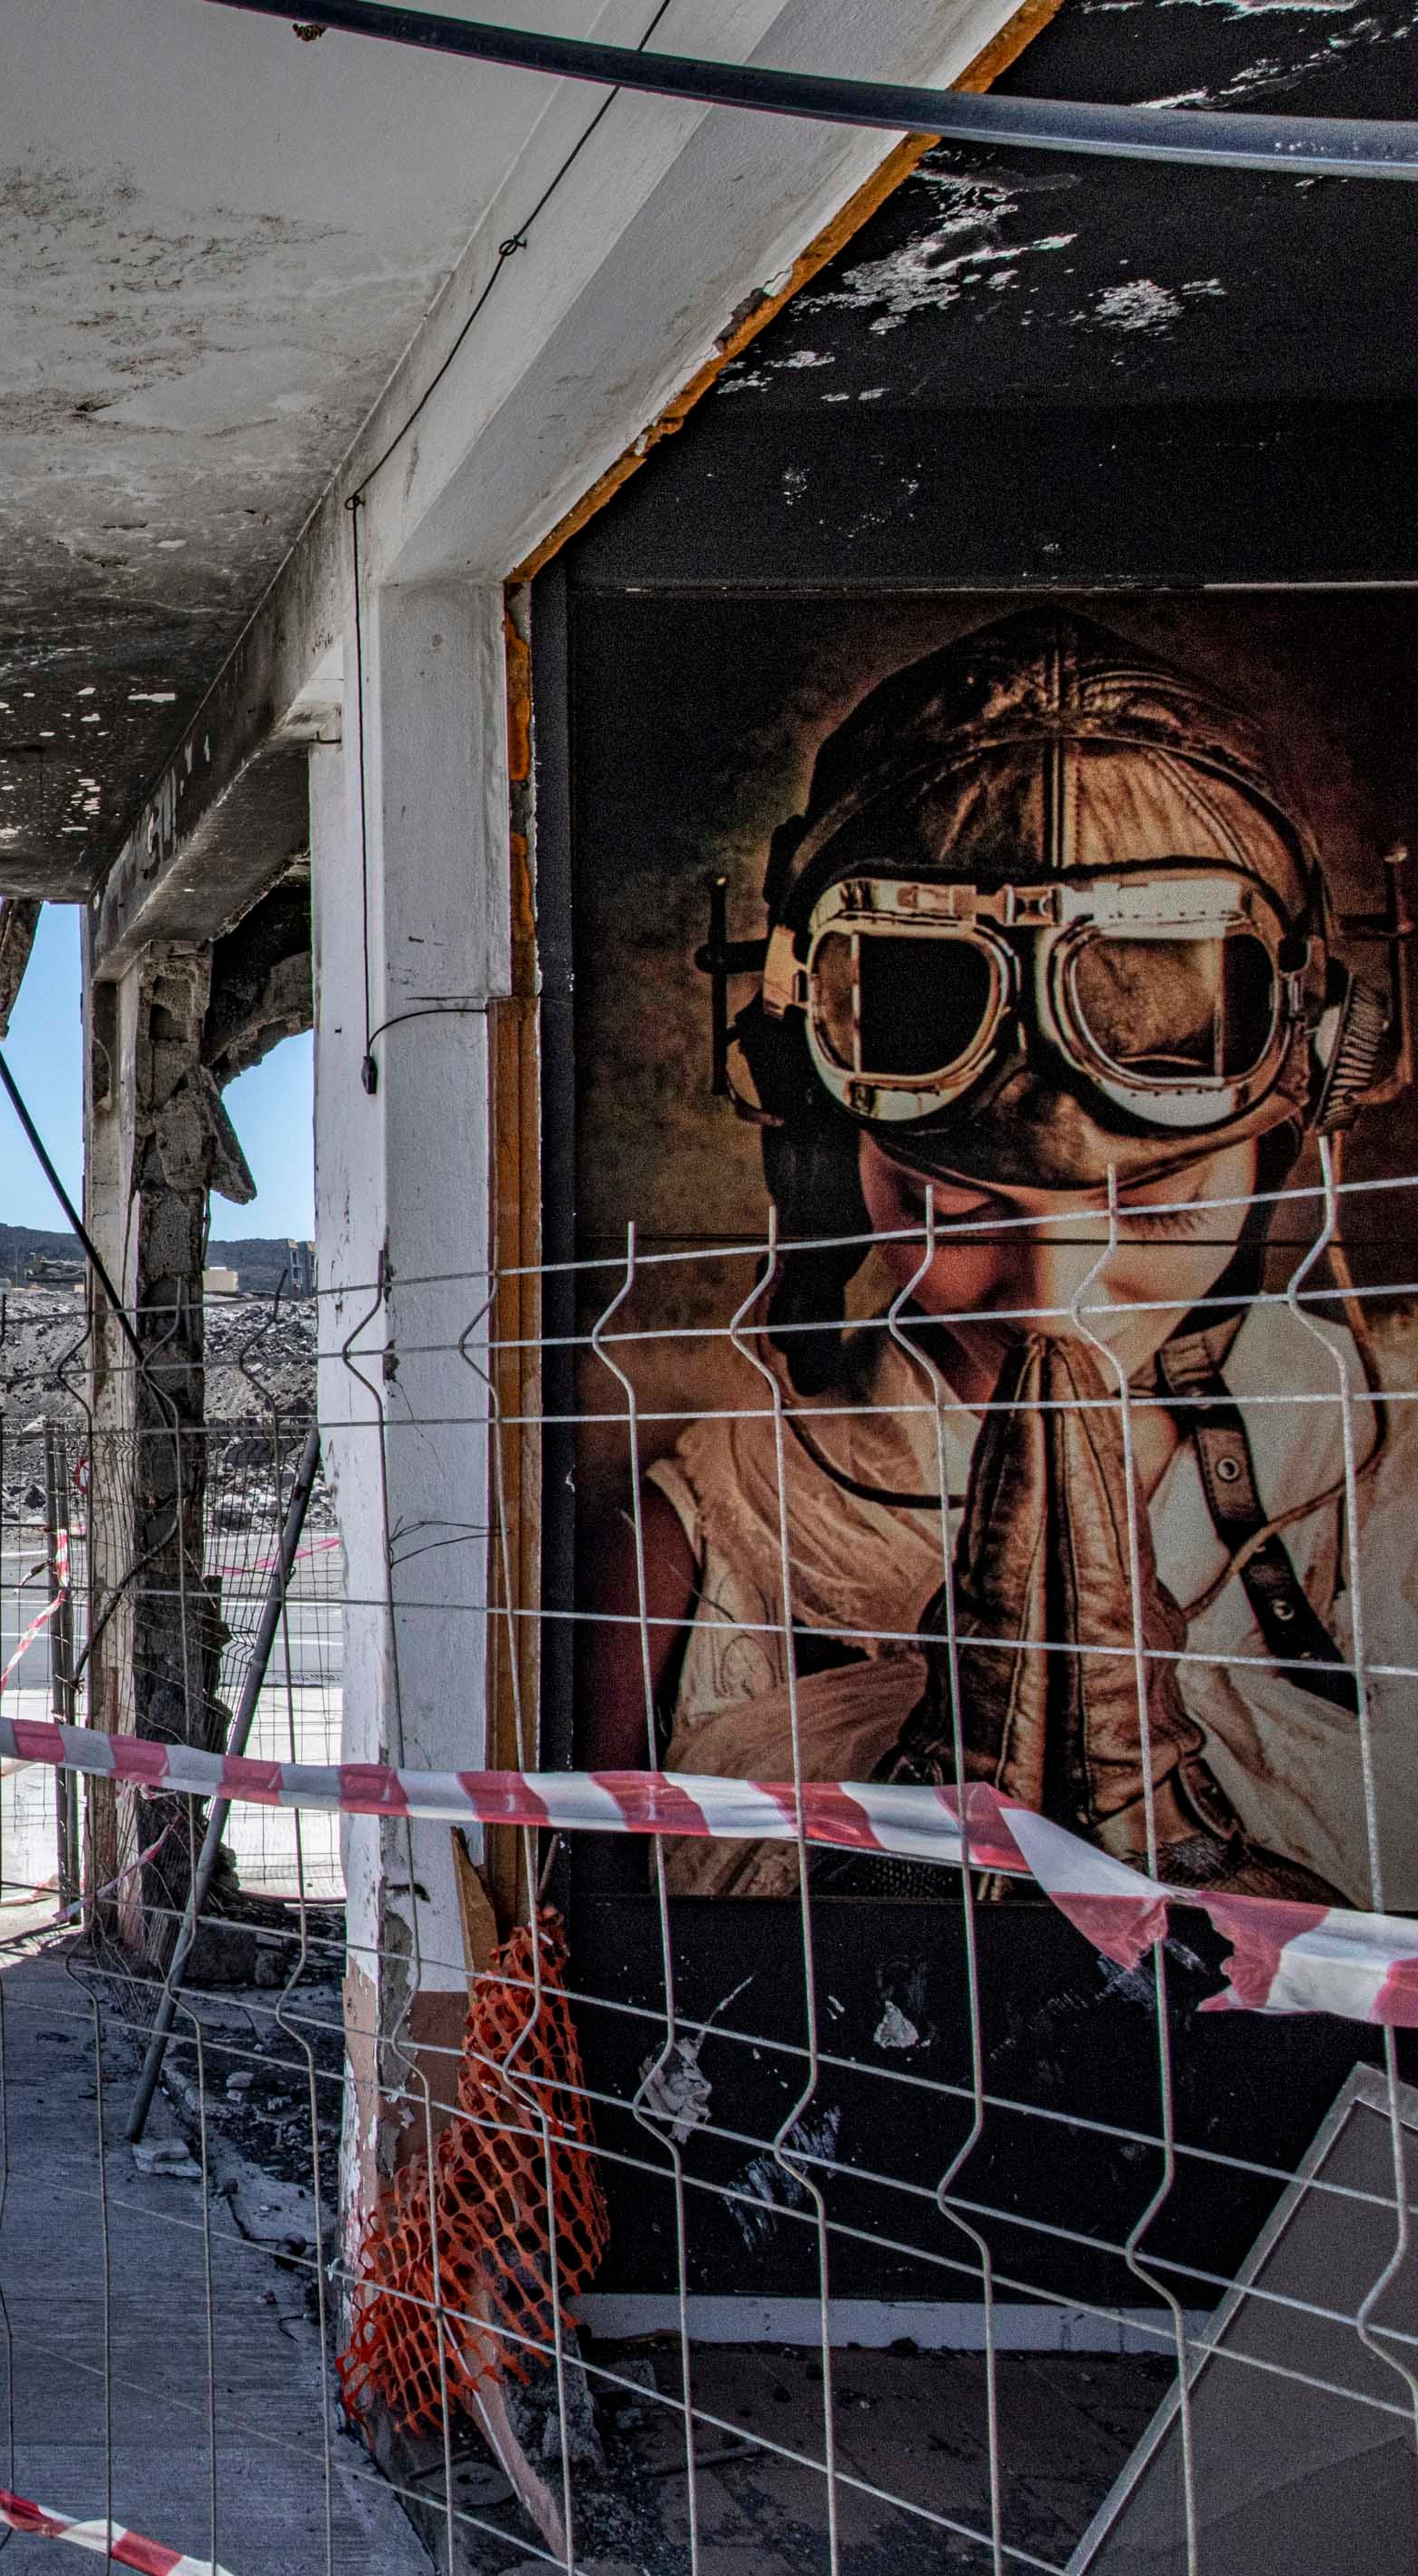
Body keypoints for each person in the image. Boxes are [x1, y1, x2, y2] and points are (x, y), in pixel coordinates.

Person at [588, 609, 1412, 1907]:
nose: (1055, 1285)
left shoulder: (1394, 1490)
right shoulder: (711, 1541)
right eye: (956, 1209)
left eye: (1151, 1207)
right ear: (822, 1139)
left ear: (1303, 1106)